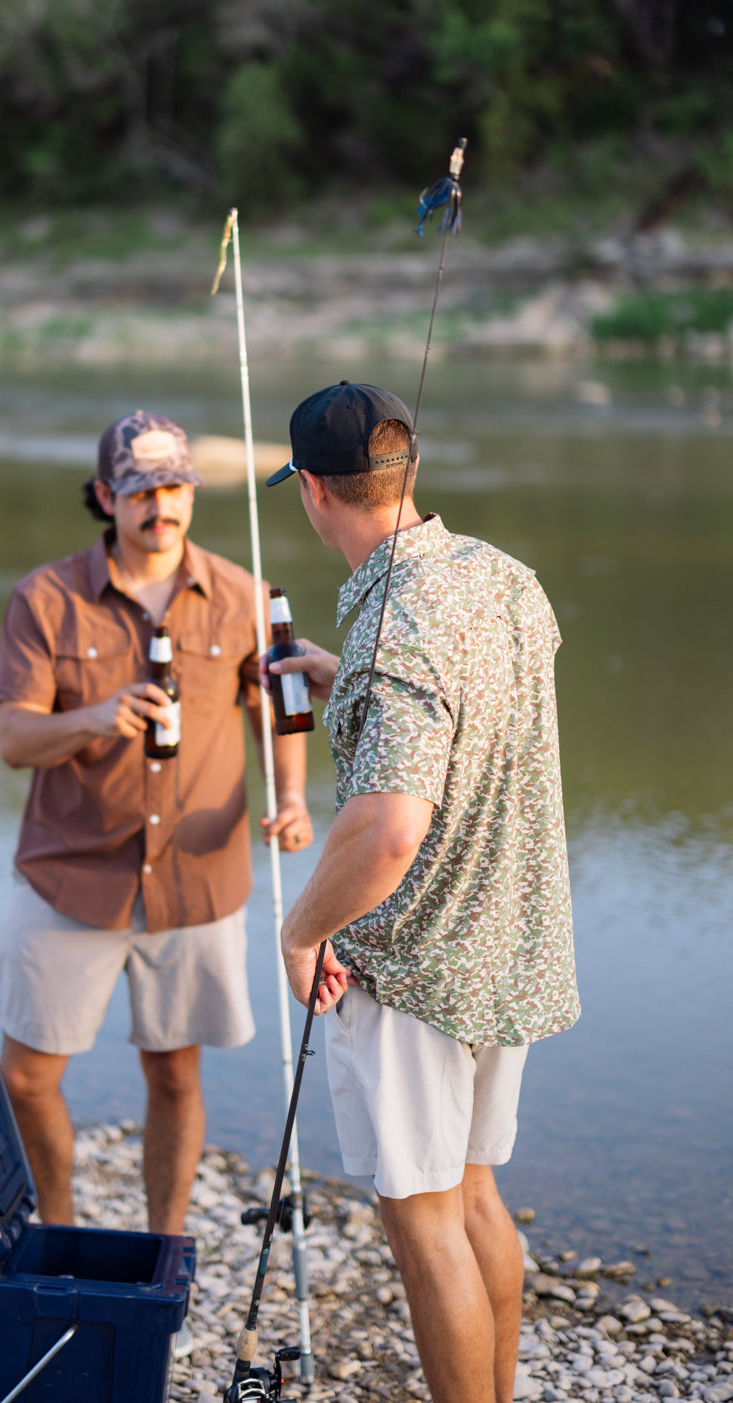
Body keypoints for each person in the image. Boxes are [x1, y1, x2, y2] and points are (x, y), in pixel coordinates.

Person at [263, 381, 579, 1403]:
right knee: (477, 1194)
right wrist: (338, 667)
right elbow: (466, 705)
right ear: (407, 470)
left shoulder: (397, 626)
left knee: (424, 1218)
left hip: (414, 967)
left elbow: (391, 826)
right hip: (506, 948)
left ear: (313, 490)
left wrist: (302, 930)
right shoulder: (502, 575)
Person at [0, 408, 312, 1246]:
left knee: (174, 1073)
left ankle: (164, 1246)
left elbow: (284, 709)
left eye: (175, 488)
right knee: (27, 1076)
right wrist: (95, 717)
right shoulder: (45, 596)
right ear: (106, 496)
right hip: (71, 872)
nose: (160, 507)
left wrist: (294, 798)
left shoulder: (251, 595)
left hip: (196, 879)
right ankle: (58, 1234)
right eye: (141, 491)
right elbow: (13, 739)